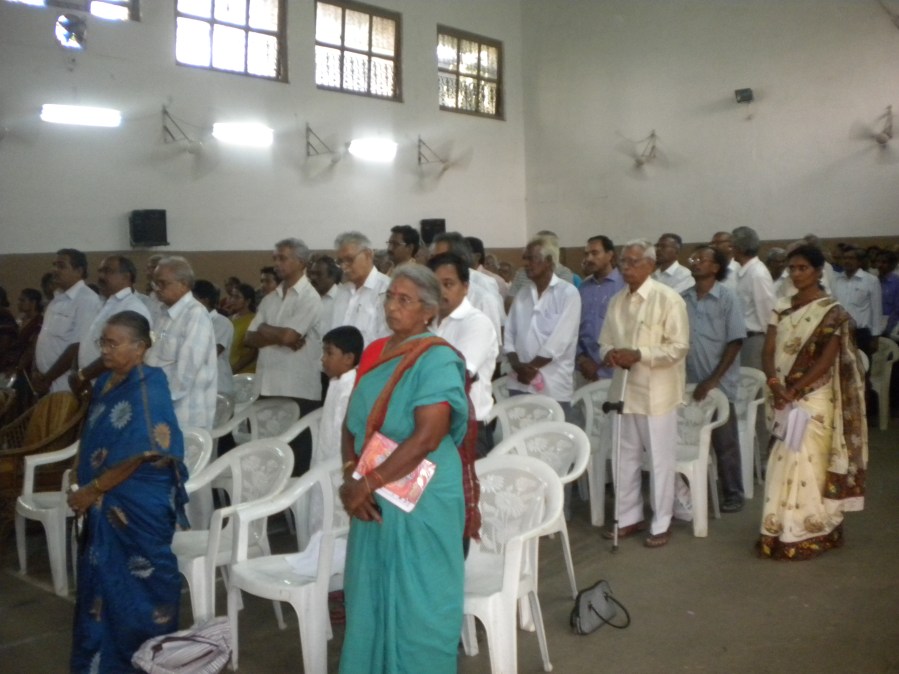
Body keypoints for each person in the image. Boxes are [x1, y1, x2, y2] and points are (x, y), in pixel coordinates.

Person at [338, 265, 474, 674]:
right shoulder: (376, 352)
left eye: (405, 300)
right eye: (390, 297)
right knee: (370, 594)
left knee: (421, 601)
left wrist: (367, 483)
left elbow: (428, 436)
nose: (392, 307)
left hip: (421, 495)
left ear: (429, 311)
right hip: (370, 493)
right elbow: (351, 423)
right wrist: (351, 475)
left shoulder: (437, 358)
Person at [67, 311, 188, 673]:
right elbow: (95, 431)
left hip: (137, 503)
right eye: (102, 342)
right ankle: (100, 661)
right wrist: (78, 470)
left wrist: (92, 489)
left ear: (140, 348)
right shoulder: (107, 381)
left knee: (142, 580)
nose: (105, 350)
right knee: (100, 582)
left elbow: (141, 451)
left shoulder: (149, 387)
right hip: (103, 497)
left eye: (113, 343)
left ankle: (146, 659)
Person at [759, 245, 867, 560]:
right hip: (781, 393)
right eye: (792, 268)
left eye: (803, 268)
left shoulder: (832, 312)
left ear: (819, 272)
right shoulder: (781, 306)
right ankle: (777, 529)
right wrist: (775, 384)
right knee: (781, 459)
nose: (796, 274)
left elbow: (825, 360)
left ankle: (809, 530)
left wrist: (795, 390)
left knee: (806, 460)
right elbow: (768, 350)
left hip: (813, 397)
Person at [598, 238, 689, 548]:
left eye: (633, 262)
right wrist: (610, 354)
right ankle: (627, 517)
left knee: (660, 461)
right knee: (624, 458)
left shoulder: (668, 299)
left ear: (650, 265)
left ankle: (661, 521)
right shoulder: (616, 301)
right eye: (623, 262)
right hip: (624, 392)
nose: (626, 268)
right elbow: (604, 341)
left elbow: (678, 348)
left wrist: (639, 354)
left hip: (657, 395)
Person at [246, 238, 323, 474]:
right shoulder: (270, 299)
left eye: (283, 258)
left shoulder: (310, 298)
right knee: (266, 458)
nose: (276, 263)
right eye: (275, 258)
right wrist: (279, 336)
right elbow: (249, 338)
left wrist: (266, 330)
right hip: (267, 387)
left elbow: (290, 337)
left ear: (301, 262)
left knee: (295, 458)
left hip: (297, 389)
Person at [682, 245, 747, 513]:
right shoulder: (683, 298)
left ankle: (733, 493)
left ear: (716, 267)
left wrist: (712, 380)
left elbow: (735, 342)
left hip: (718, 381)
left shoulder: (727, 298)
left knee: (724, 441)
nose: (695, 263)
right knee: (688, 438)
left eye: (702, 259)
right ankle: (691, 492)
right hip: (688, 381)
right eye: (694, 259)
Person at [428, 252, 500, 456]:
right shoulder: (427, 322)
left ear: (466, 287)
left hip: (468, 427)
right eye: (435, 285)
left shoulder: (477, 323)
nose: (441, 292)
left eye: (448, 284)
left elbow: (458, 375)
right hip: (430, 423)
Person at [505, 236, 581, 418]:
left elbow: (560, 341)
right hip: (519, 382)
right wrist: (518, 367)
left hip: (552, 385)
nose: (526, 264)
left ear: (548, 261)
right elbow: (509, 334)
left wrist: (530, 369)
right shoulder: (523, 294)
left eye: (531, 258)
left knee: (553, 434)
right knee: (520, 433)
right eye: (525, 259)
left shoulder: (567, 293)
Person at [144, 256, 218, 430]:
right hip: (160, 406)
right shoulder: (163, 313)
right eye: (155, 283)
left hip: (182, 412)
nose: (157, 289)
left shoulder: (195, 314)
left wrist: (159, 400)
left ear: (183, 284)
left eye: (162, 283)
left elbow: (187, 371)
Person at [33, 248, 103, 394]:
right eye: (54, 265)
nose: (54, 270)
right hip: (45, 381)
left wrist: (48, 378)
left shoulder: (87, 300)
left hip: (64, 384)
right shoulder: (56, 300)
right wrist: (36, 371)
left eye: (61, 266)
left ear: (79, 271)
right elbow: (44, 338)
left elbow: (78, 346)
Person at [75, 255, 152, 385]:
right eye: (100, 271)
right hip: (94, 382)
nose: (101, 276)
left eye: (108, 271)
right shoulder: (108, 303)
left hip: (113, 384)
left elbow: (119, 353)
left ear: (126, 277)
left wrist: (83, 375)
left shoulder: (132, 307)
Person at [576, 235, 624, 384]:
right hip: (584, 370)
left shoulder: (624, 286)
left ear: (610, 255)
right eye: (586, 254)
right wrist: (581, 359)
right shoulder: (583, 288)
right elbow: (573, 328)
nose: (589, 258)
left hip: (615, 369)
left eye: (595, 253)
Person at [331, 231, 391, 346]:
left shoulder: (387, 290)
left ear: (368, 255)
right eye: (340, 262)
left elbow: (387, 341)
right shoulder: (341, 291)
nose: (343, 266)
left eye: (349, 259)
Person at [832, 247, 883, 357]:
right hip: (839, 332)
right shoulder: (836, 280)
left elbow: (876, 310)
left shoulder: (871, 280)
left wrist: (875, 337)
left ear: (859, 261)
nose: (847, 261)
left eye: (851, 258)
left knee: (862, 365)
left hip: (861, 333)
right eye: (844, 258)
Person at [193, 280, 235, 402]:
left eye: (193, 299)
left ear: (205, 300)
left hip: (218, 387)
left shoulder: (221, 323)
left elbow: (210, 353)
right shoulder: (190, 322)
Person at [228, 282, 258, 374]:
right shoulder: (229, 319)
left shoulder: (254, 320)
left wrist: (233, 370)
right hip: (227, 371)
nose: (232, 300)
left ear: (248, 301)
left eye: (237, 297)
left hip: (244, 373)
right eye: (232, 296)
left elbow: (252, 352)